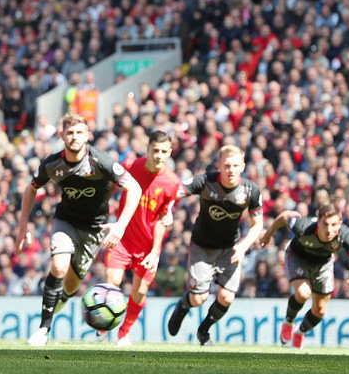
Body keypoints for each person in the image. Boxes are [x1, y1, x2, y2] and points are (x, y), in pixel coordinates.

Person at [15, 112, 142, 346]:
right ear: (62, 135)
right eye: (70, 132)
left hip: (94, 229)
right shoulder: (52, 164)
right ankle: (44, 328)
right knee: (58, 266)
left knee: (72, 286)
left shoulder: (101, 161)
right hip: (66, 222)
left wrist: (121, 225)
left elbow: (134, 188)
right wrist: (22, 225)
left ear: (87, 135)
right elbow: (31, 189)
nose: (74, 137)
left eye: (79, 132)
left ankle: (55, 305)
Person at [167, 145, 264, 345]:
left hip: (231, 248)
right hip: (203, 246)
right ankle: (183, 306)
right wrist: (167, 208)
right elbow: (174, 191)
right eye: (227, 165)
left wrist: (244, 246)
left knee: (227, 297)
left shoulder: (250, 190)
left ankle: (204, 330)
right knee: (198, 299)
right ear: (219, 166)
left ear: (243, 166)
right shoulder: (206, 181)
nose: (231, 170)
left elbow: (258, 225)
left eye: (235, 165)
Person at [99, 130, 180, 346]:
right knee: (112, 282)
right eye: (155, 150)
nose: (159, 155)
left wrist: (155, 251)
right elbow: (112, 186)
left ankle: (124, 332)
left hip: (147, 246)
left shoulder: (172, 183)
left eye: (164, 151)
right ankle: (105, 323)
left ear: (170, 153)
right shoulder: (130, 166)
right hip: (122, 239)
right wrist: (101, 206)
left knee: (140, 291)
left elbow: (163, 220)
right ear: (148, 149)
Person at [259, 204, 349, 348]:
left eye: (334, 225)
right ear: (318, 221)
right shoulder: (304, 226)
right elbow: (285, 216)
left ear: (340, 224)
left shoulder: (345, 235)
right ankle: (288, 322)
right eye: (325, 224)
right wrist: (268, 234)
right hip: (298, 257)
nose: (329, 229)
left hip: (323, 264)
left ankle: (300, 332)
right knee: (303, 293)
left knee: (320, 310)